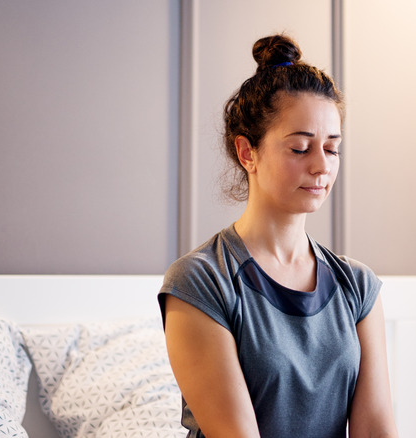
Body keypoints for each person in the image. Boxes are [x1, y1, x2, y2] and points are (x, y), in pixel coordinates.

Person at [159, 34, 398, 438]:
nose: (322, 166)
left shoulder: (357, 287)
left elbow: (375, 430)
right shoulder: (201, 283)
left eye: (332, 148)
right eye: (301, 148)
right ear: (247, 152)